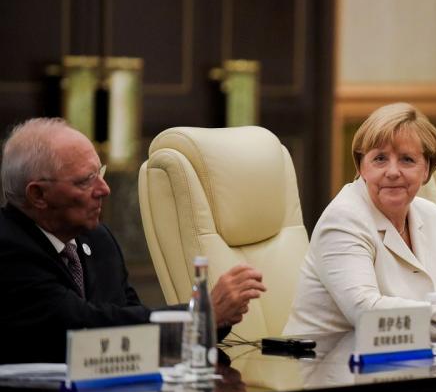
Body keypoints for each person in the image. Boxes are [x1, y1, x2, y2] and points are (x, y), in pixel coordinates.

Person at [0, 118, 266, 362]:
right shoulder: (9, 246)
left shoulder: (98, 239)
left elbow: (134, 322)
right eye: (85, 181)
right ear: (38, 195)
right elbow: (79, 326)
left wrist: (214, 320)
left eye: (99, 173)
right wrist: (199, 318)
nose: (104, 189)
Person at [284, 103, 436, 335]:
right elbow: (365, 311)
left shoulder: (430, 215)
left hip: (409, 361)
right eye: (379, 159)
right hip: (331, 366)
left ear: (426, 169)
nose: (392, 172)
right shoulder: (343, 220)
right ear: (361, 166)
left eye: (407, 159)